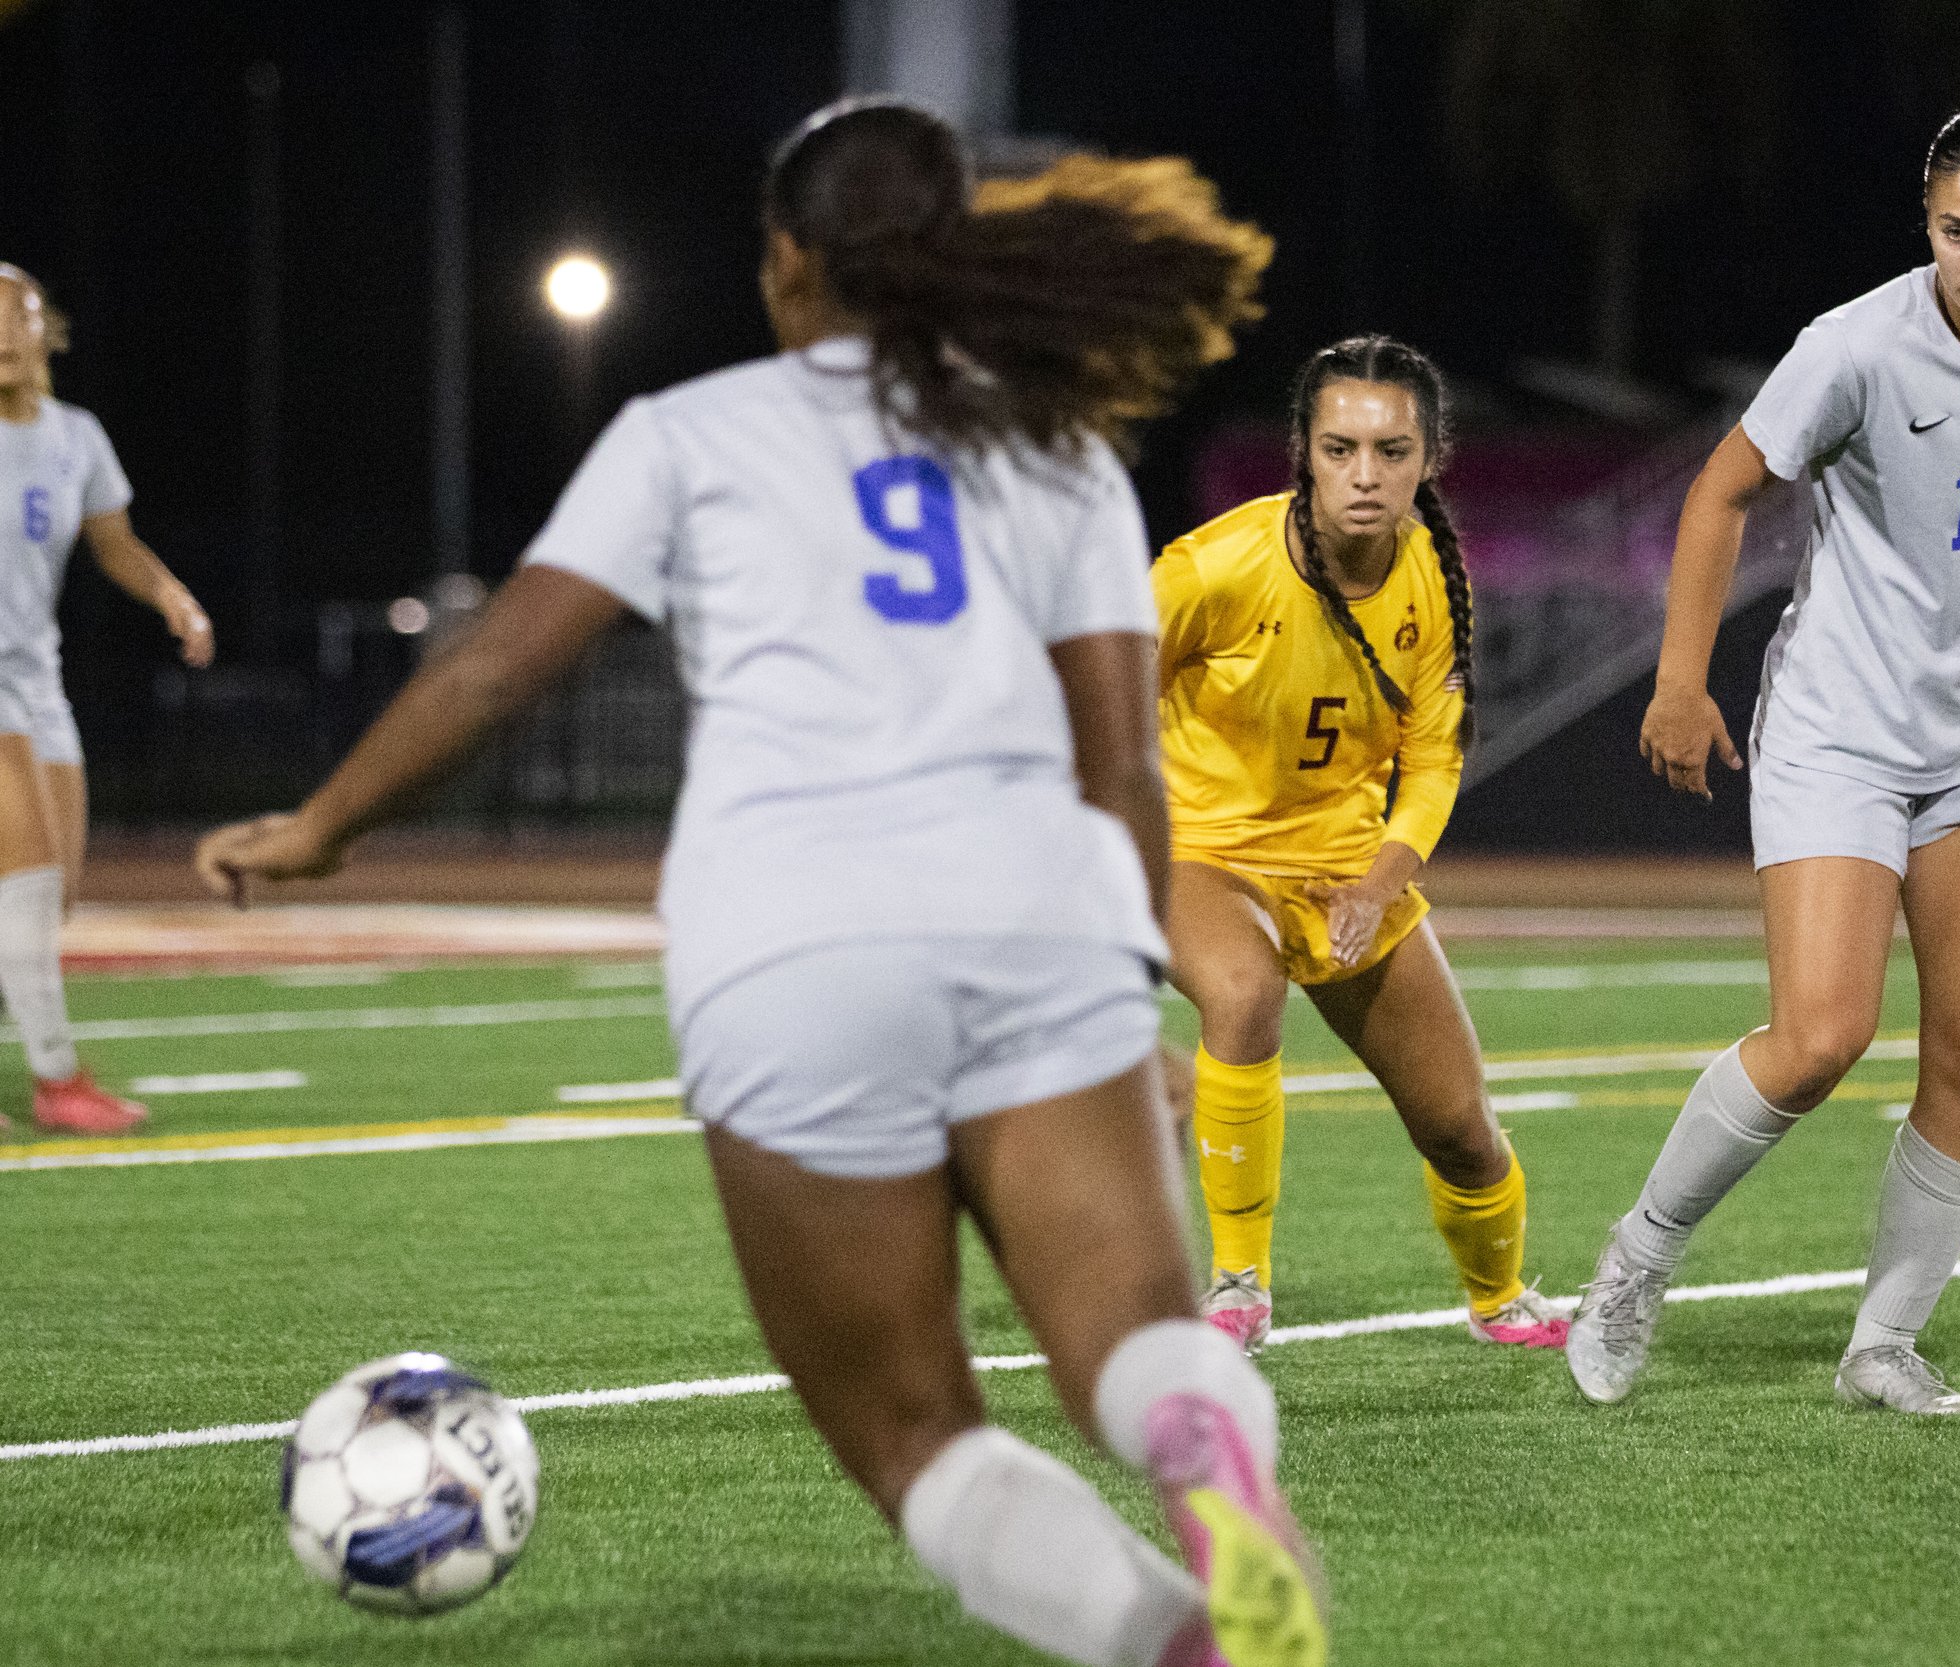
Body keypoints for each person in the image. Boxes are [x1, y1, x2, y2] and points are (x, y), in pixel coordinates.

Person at [198, 100, 1327, 1667]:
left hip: (793, 937)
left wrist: (320, 823)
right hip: (1037, 904)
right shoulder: (1054, 440)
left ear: (787, 259)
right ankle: (1209, 1450)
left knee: (915, 1430)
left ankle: (1172, 1644)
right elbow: (1122, 764)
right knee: (1135, 1337)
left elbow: (493, 672)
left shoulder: (689, 430)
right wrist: (1113, 972)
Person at [1566, 104, 1960, 1416]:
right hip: (1843, 723)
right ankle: (1639, 1254)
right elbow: (1718, 492)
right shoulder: (1853, 347)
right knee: (1822, 1032)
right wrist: (1681, 680)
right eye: (1956, 230)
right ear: (1929, 225)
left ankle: (1882, 1345)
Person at [1158, 335, 1566, 1355]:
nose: (1364, 474)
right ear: (1302, 449)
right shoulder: (1213, 568)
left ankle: (1500, 1295)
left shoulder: (1434, 580)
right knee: (1244, 992)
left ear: (1429, 459)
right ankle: (1238, 1282)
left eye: (1391, 451)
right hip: (1198, 852)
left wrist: (1379, 883)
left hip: (1343, 865)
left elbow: (1430, 761)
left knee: (1460, 1130)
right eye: (1340, 448)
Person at [0, 263, 213, 1135]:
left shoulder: (74, 434)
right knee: (29, 875)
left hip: (33, 678)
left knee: (48, 898)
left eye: (18, 313)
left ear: (46, 329)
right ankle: (58, 1080)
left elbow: (114, 542)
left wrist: (174, 597)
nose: (3, 329)